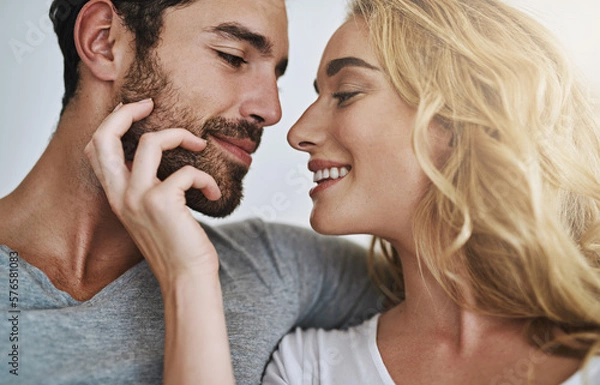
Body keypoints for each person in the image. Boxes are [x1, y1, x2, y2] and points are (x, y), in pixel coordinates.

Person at [86, 0, 600, 383]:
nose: (294, 131)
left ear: (463, 119)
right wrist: (187, 275)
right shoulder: (307, 369)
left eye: (346, 94)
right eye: (230, 56)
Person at [0, 0, 385, 384]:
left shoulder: (276, 268)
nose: (272, 110)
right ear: (104, 41)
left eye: (276, 77)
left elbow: (438, 295)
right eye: (232, 57)